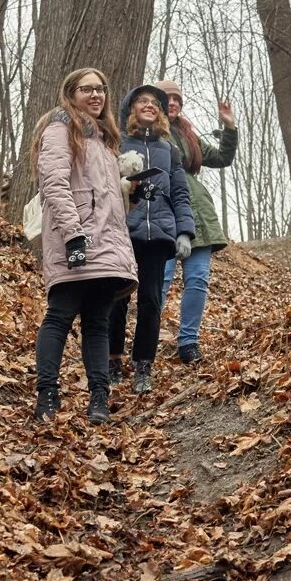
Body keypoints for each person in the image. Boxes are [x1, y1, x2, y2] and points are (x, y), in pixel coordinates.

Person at [32, 68, 138, 425]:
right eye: (86, 89)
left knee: (97, 322)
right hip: (72, 239)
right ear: (71, 93)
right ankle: (47, 395)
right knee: (60, 315)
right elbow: (54, 182)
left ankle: (99, 399)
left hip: (107, 244)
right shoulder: (60, 127)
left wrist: (133, 195)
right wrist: (73, 234)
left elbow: (107, 202)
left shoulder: (106, 139)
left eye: (101, 90)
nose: (95, 96)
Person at [109, 84, 195, 394]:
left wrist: (184, 232)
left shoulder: (169, 150)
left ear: (160, 112)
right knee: (118, 298)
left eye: (154, 103)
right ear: (130, 109)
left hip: (158, 236)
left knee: (151, 301)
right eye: (142, 101)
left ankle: (143, 366)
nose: (149, 105)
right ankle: (112, 362)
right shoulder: (116, 144)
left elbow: (181, 194)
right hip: (122, 232)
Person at [155, 79, 239, 364]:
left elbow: (222, 157)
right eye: (168, 99)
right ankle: (146, 341)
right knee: (159, 280)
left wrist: (229, 127)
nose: (174, 103)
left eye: (177, 99)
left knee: (198, 280)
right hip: (162, 214)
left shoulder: (187, 133)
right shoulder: (145, 133)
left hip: (198, 214)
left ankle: (188, 342)